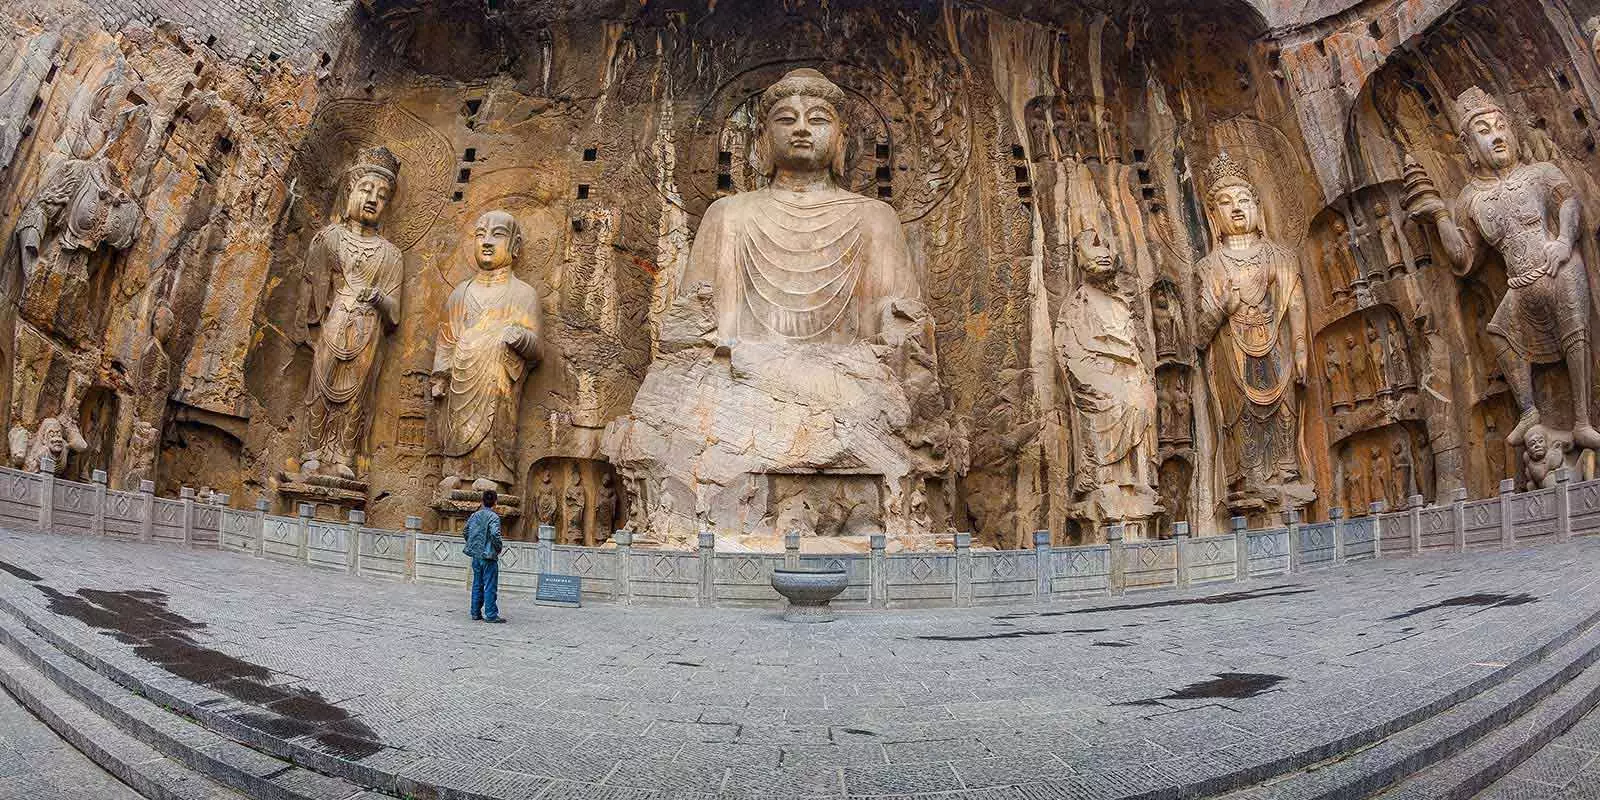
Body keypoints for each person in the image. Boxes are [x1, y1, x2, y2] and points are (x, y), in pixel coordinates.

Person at [462, 490, 506, 622]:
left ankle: (475, 612)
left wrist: (473, 545)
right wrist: (498, 548)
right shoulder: (493, 517)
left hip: (476, 555)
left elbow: (465, 531)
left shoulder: (475, 515)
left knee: (477, 584)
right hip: (488, 556)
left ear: (482, 501)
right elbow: (494, 534)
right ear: (495, 502)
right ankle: (491, 614)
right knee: (490, 585)